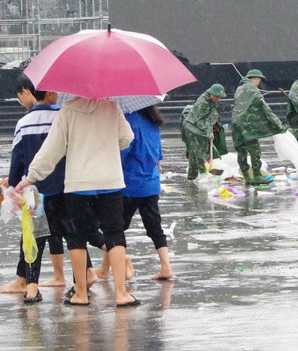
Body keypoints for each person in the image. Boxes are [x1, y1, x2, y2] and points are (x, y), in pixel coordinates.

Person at [18, 97, 138, 307]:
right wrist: (109, 143)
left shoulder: (68, 109)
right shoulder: (112, 107)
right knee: (114, 234)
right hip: (110, 181)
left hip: (78, 184)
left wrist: (32, 176)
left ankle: (80, 293)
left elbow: (52, 148)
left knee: (76, 237)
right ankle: (121, 294)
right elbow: (127, 138)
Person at [0, 74, 72, 302]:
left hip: (34, 190)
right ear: (50, 93)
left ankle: (30, 286)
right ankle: (84, 278)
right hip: (65, 187)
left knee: (32, 236)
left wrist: (13, 181)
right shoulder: (64, 117)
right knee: (73, 234)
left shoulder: (24, 123)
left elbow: (17, 160)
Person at [121, 103, 172, 282]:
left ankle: (111, 267)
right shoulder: (152, 121)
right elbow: (158, 155)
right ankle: (166, 267)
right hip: (151, 183)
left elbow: (122, 153)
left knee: (116, 228)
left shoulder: (128, 121)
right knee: (154, 226)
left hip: (130, 184)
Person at [231, 70, 286, 186]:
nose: (259, 82)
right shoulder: (252, 88)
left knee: (241, 151)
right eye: (259, 79)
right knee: (255, 151)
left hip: (236, 124)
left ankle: (246, 176)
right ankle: (256, 176)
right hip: (247, 125)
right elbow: (265, 108)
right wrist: (278, 124)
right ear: (255, 78)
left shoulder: (239, 89)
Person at [180, 84, 226, 180]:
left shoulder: (209, 100)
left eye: (219, 97)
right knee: (200, 152)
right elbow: (199, 121)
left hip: (196, 128)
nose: (218, 99)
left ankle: (191, 176)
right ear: (211, 94)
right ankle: (203, 174)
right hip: (193, 129)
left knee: (194, 152)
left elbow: (209, 116)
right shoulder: (203, 104)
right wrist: (208, 132)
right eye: (216, 96)